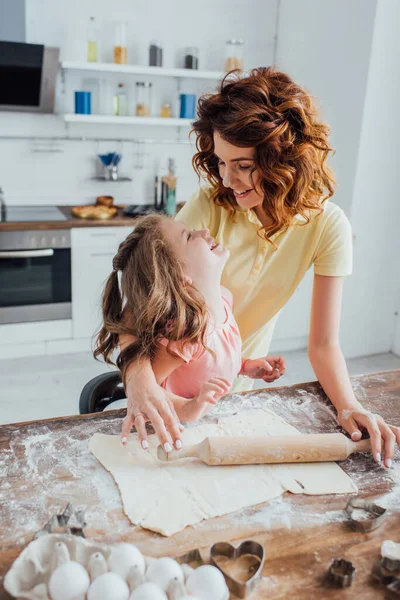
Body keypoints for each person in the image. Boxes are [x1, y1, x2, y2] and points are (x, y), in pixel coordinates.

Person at [120, 66, 399, 467]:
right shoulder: (210, 206)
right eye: (220, 162)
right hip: (173, 383)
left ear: (283, 159)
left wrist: (349, 406)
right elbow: (139, 305)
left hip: (236, 386)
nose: (228, 179)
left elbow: (323, 344)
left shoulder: (327, 227)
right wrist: (140, 380)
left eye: (244, 165)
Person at [94, 213, 285, 450]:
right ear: (178, 275)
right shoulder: (186, 333)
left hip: (210, 428)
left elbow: (212, 361)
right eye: (189, 236)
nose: (204, 232)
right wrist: (188, 407)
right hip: (174, 435)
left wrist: (244, 366)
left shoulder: (224, 299)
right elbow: (153, 389)